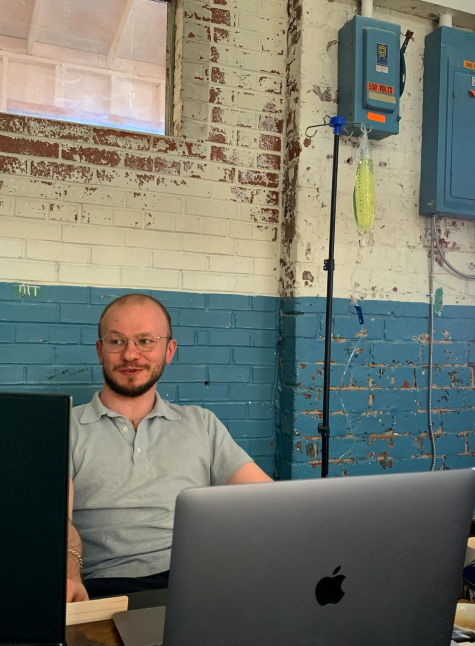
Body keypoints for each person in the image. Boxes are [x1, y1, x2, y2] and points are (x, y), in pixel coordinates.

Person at [67, 293, 272, 602]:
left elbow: (268, 502)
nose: (131, 355)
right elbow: (55, 520)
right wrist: (69, 574)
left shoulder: (201, 423)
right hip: (104, 589)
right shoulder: (65, 427)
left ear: (169, 350)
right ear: (100, 350)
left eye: (145, 341)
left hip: (198, 584)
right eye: (117, 342)